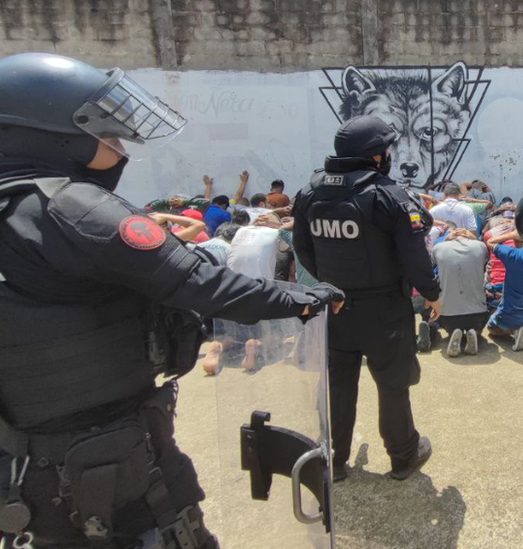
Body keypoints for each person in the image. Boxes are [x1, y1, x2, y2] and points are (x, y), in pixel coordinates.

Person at [0, 53, 343, 549]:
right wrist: (303, 299)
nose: (119, 151)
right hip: (112, 465)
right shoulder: (72, 208)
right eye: (108, 136)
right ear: (52, 133)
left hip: (23, 472)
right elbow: (202, 283)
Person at [292, 114, 441, 483]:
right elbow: (416, 256)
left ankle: (335, 461)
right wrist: (433, 294)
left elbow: (302, 249)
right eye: (386, 149)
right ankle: (404, 456)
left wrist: (332, 283)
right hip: (384, 311)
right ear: (375, 156)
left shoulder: (310, 193)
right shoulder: (388, 194)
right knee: (392, 383)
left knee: (339, 384)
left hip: (335, 306)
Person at [432, 227, 490, 357]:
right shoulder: (480, 246)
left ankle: (454, 332)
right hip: (478, 315)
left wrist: (444, 240)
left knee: (444, 316)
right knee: (479, 325)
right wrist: (474, 238)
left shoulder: (439, 247)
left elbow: (433, 262)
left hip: (448, 316)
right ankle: (474, 331)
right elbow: (485, 259)